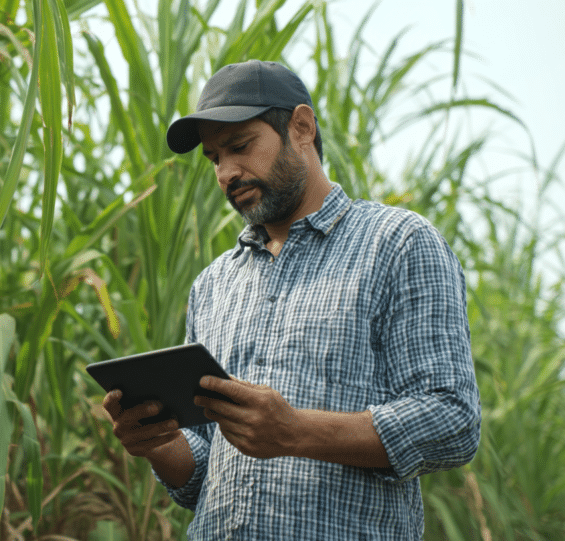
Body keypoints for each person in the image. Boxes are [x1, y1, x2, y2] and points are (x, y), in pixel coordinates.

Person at [100, 60, 481, 539]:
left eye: (240, 146)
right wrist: (160, 443)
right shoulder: (213, 285)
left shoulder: (397, 243)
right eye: (215, 158)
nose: (226, 173)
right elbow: (201, 478)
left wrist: (297, 430)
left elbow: (453, 421)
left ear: (301, 128)